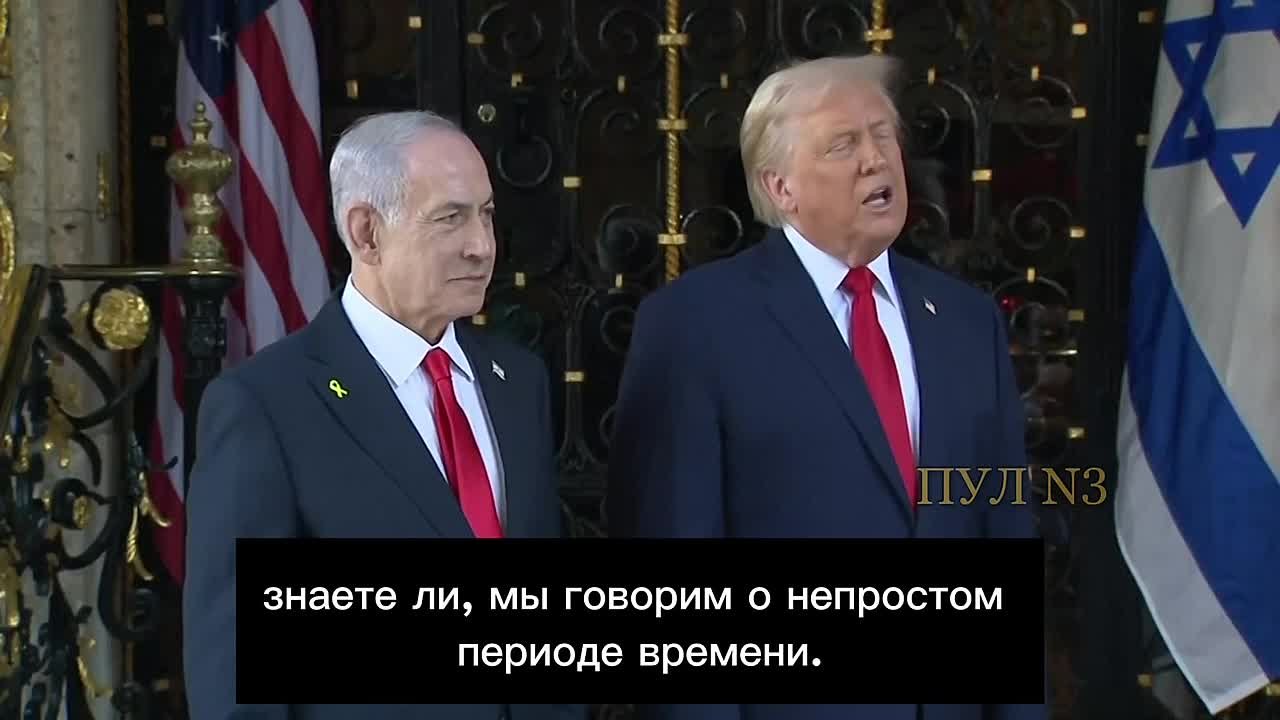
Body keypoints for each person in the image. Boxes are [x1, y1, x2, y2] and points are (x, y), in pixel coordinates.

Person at [606, 55, 1045, 720]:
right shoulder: (696, 323)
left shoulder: (965, 321)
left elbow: (1003, 531)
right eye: (844, 144)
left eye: (883, 135)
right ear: (780, 186)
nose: (876, 159)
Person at [183, 111, 581, 720]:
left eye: (486, 214)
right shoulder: (265, 405)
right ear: (366, 232)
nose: (481, 245)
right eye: (450, 218)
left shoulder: (517, 381)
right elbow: (236, 674)